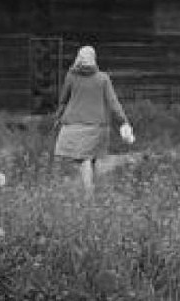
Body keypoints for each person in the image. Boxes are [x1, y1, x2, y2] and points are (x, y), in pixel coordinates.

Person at [54, 45, 132, 194]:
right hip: (98, 126)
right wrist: (123, 121)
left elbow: (63, 100)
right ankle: (92, 190)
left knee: (83, 159)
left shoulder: (71, 76)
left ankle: (89, 192)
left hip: (74, 126)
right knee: (90, 159)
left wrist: (58, 117)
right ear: (94, 59)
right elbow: (113, 102)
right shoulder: (103, 78)